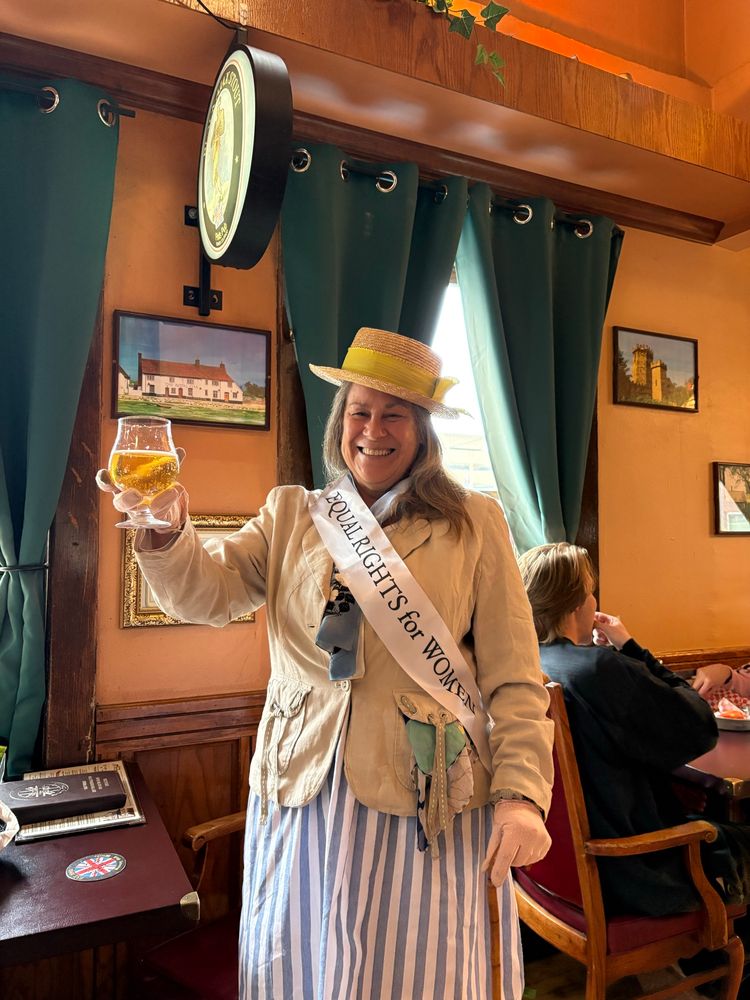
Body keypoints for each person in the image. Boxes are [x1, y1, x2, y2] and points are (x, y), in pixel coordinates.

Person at [97, 327, 554, 1000]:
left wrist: (522, 795)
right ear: (340, 421)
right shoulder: (291, 513)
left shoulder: (474, 523)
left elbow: (515, 678)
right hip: (302, 787)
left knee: (414, 973)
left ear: (423, 431)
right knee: (298, 967)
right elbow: (206, 595)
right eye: (360, 411)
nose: (374, 430)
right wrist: (165, 528)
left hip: (423, 795)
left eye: (395, 414)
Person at [517, 541, 749, 919]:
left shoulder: (533, 664)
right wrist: (629, 645)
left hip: (554, 870)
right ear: (576, 603)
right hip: (635, 872)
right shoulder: (596, 669)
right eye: (591, 591)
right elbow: (699, 726)